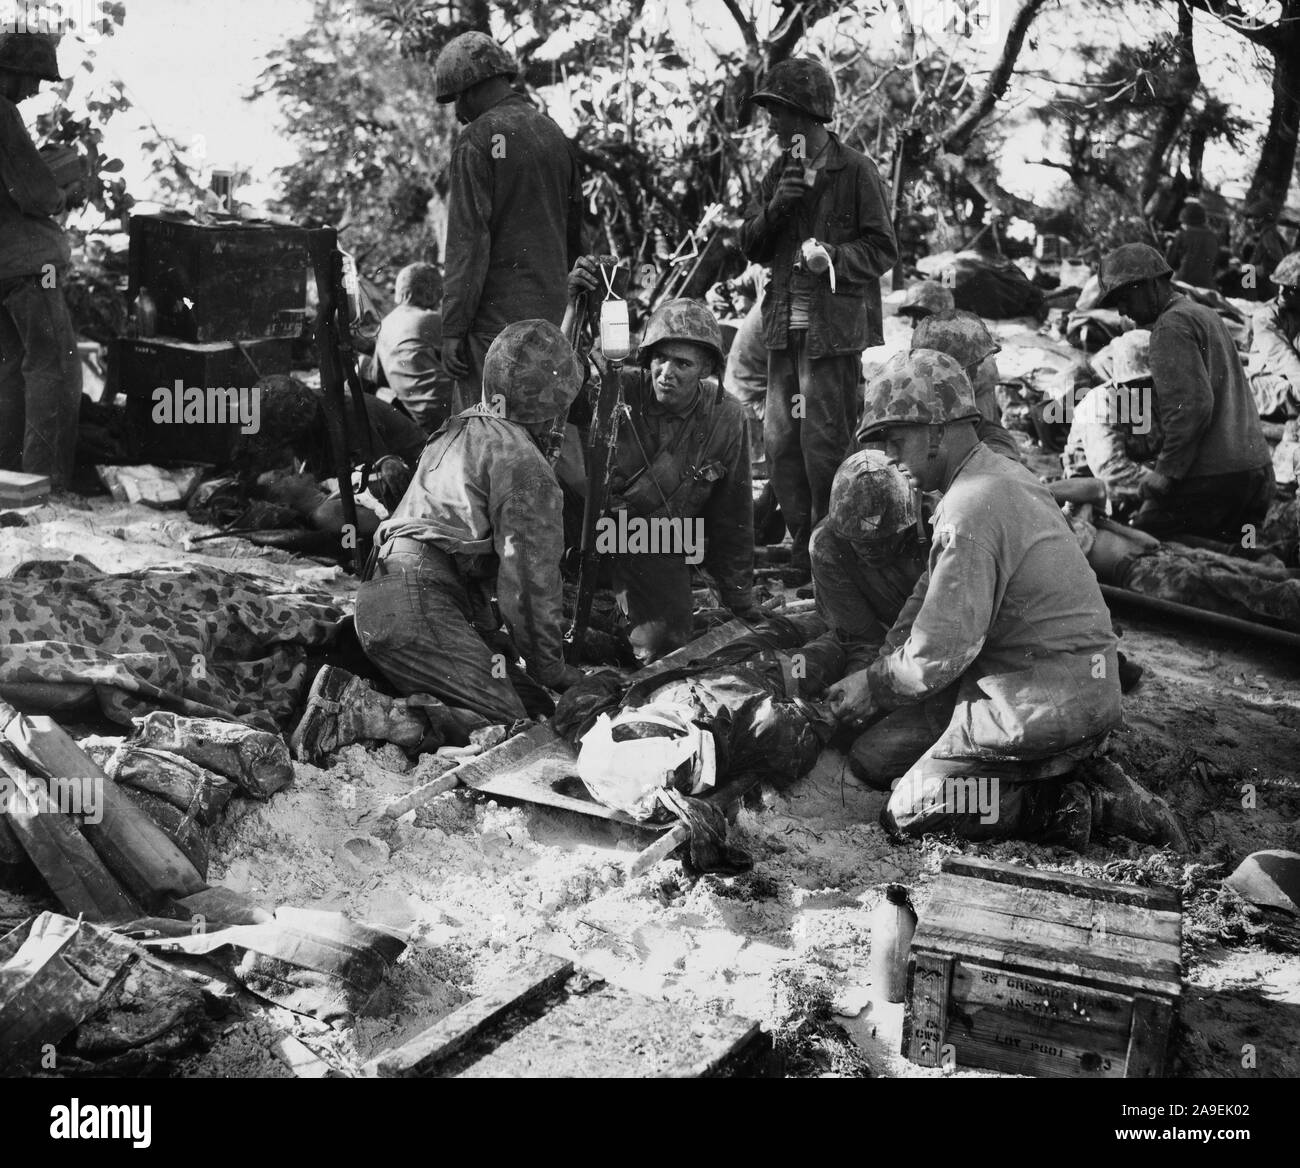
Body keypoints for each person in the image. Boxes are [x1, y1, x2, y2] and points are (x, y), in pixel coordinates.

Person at [826, 350, 1135, 848]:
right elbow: (926, 601)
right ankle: (1045, 771)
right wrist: (877, 672)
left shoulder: (971, 507)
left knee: (912, 811)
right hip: (1037, 679)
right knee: (872, 758)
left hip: (1043, 699)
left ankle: (1078, 804)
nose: (888, 455)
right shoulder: (985, 479)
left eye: (895, 438)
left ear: (937, 430)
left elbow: (939, 654)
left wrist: (874, 684)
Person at [328, 319, 585, 746]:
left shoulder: (462, 427)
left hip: (391, 597)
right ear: (555, 403)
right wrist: (552, 667)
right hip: (417, 605)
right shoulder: (526, 467)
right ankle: (369, 715)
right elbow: (528, 587)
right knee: (513, 729)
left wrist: (503, 654)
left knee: (539, 708)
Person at [739, 56, 898, 580]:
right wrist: (777, 208)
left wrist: (832, 255)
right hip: (784, 330)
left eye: (778, 113)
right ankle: (803, 543)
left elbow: (882, 248)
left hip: (832, 336)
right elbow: (752, 247)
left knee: (822, 444)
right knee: (781, 442)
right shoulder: (778, 172)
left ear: (806, 115)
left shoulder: (855, 170)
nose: (772, 124)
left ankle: (830, 551)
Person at [568, 259, 759, 662]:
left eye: (683, 364)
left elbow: (733, 516)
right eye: (660, 358)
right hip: (589, 536)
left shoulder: (726, 417)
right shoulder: (616, 390)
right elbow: (557, 389)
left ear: (707, 369)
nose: (665, 373)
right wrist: (573, 306)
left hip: (655, 544)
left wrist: (738, 599)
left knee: (659, 647)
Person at [434, 32, 583, 409]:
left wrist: (453, 328)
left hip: (493, 331)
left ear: (469, 89)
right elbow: (574, 238)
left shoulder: (477, 139)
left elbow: (468, 245)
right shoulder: (553, 134)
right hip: (549, 324)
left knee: (482, 440)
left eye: (456, 100)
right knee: (545, 434)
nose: (457, 112)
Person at [1097, 242, 1273, 541]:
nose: (1123, 311)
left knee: (1144, 546)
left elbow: (1192, 407)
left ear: (1150, 285)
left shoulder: (1170, 327)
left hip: (1214, 480)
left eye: (1125, 298)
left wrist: (1166, 473)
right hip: (1255, 472)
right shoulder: (1204, 314)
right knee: (1233, 565)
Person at [0, 32, 83, 491]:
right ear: (9, 70)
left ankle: (11, 483)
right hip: (31, 266)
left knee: (12, 368)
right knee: (55, 366)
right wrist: (64, 188)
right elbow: (35, 193)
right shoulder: (2, 111)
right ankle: (43, 486)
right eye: (32, 79)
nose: (34, 91)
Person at [1062, 329, 1161, 519]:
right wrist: (1164, 485)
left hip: (1143, 486)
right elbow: (1111, 472)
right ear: (1120, 381)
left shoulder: (1157, 397)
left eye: (1151, 382)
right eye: (1137, 384)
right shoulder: (1100, 404)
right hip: (1098, 499)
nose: (1145, 389)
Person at [909, 309, 1021, 461]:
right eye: (974, 365)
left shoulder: (978, 381)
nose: (977, 371)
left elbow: (987, 430)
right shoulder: (913, 397)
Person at [373, 261, 457, 433]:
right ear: (433, 290)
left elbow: (377, 377)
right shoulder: (430, 320)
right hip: (448, 416)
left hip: (416, 418)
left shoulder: (385, 324)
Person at [1247, 251, 1300, 419]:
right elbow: (1284, 358)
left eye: (1291, 288)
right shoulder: (1265, 315)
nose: (1282, 291)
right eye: (1280, 284)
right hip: (1268, 379)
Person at [1164, 198, 1218, 290]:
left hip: (1183, 281)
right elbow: (1215, 266)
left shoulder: (1183, 235)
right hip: (1206, 285)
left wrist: (1169, 247)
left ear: (1186, 221)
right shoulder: (1213, 237)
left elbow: (1170, 263)